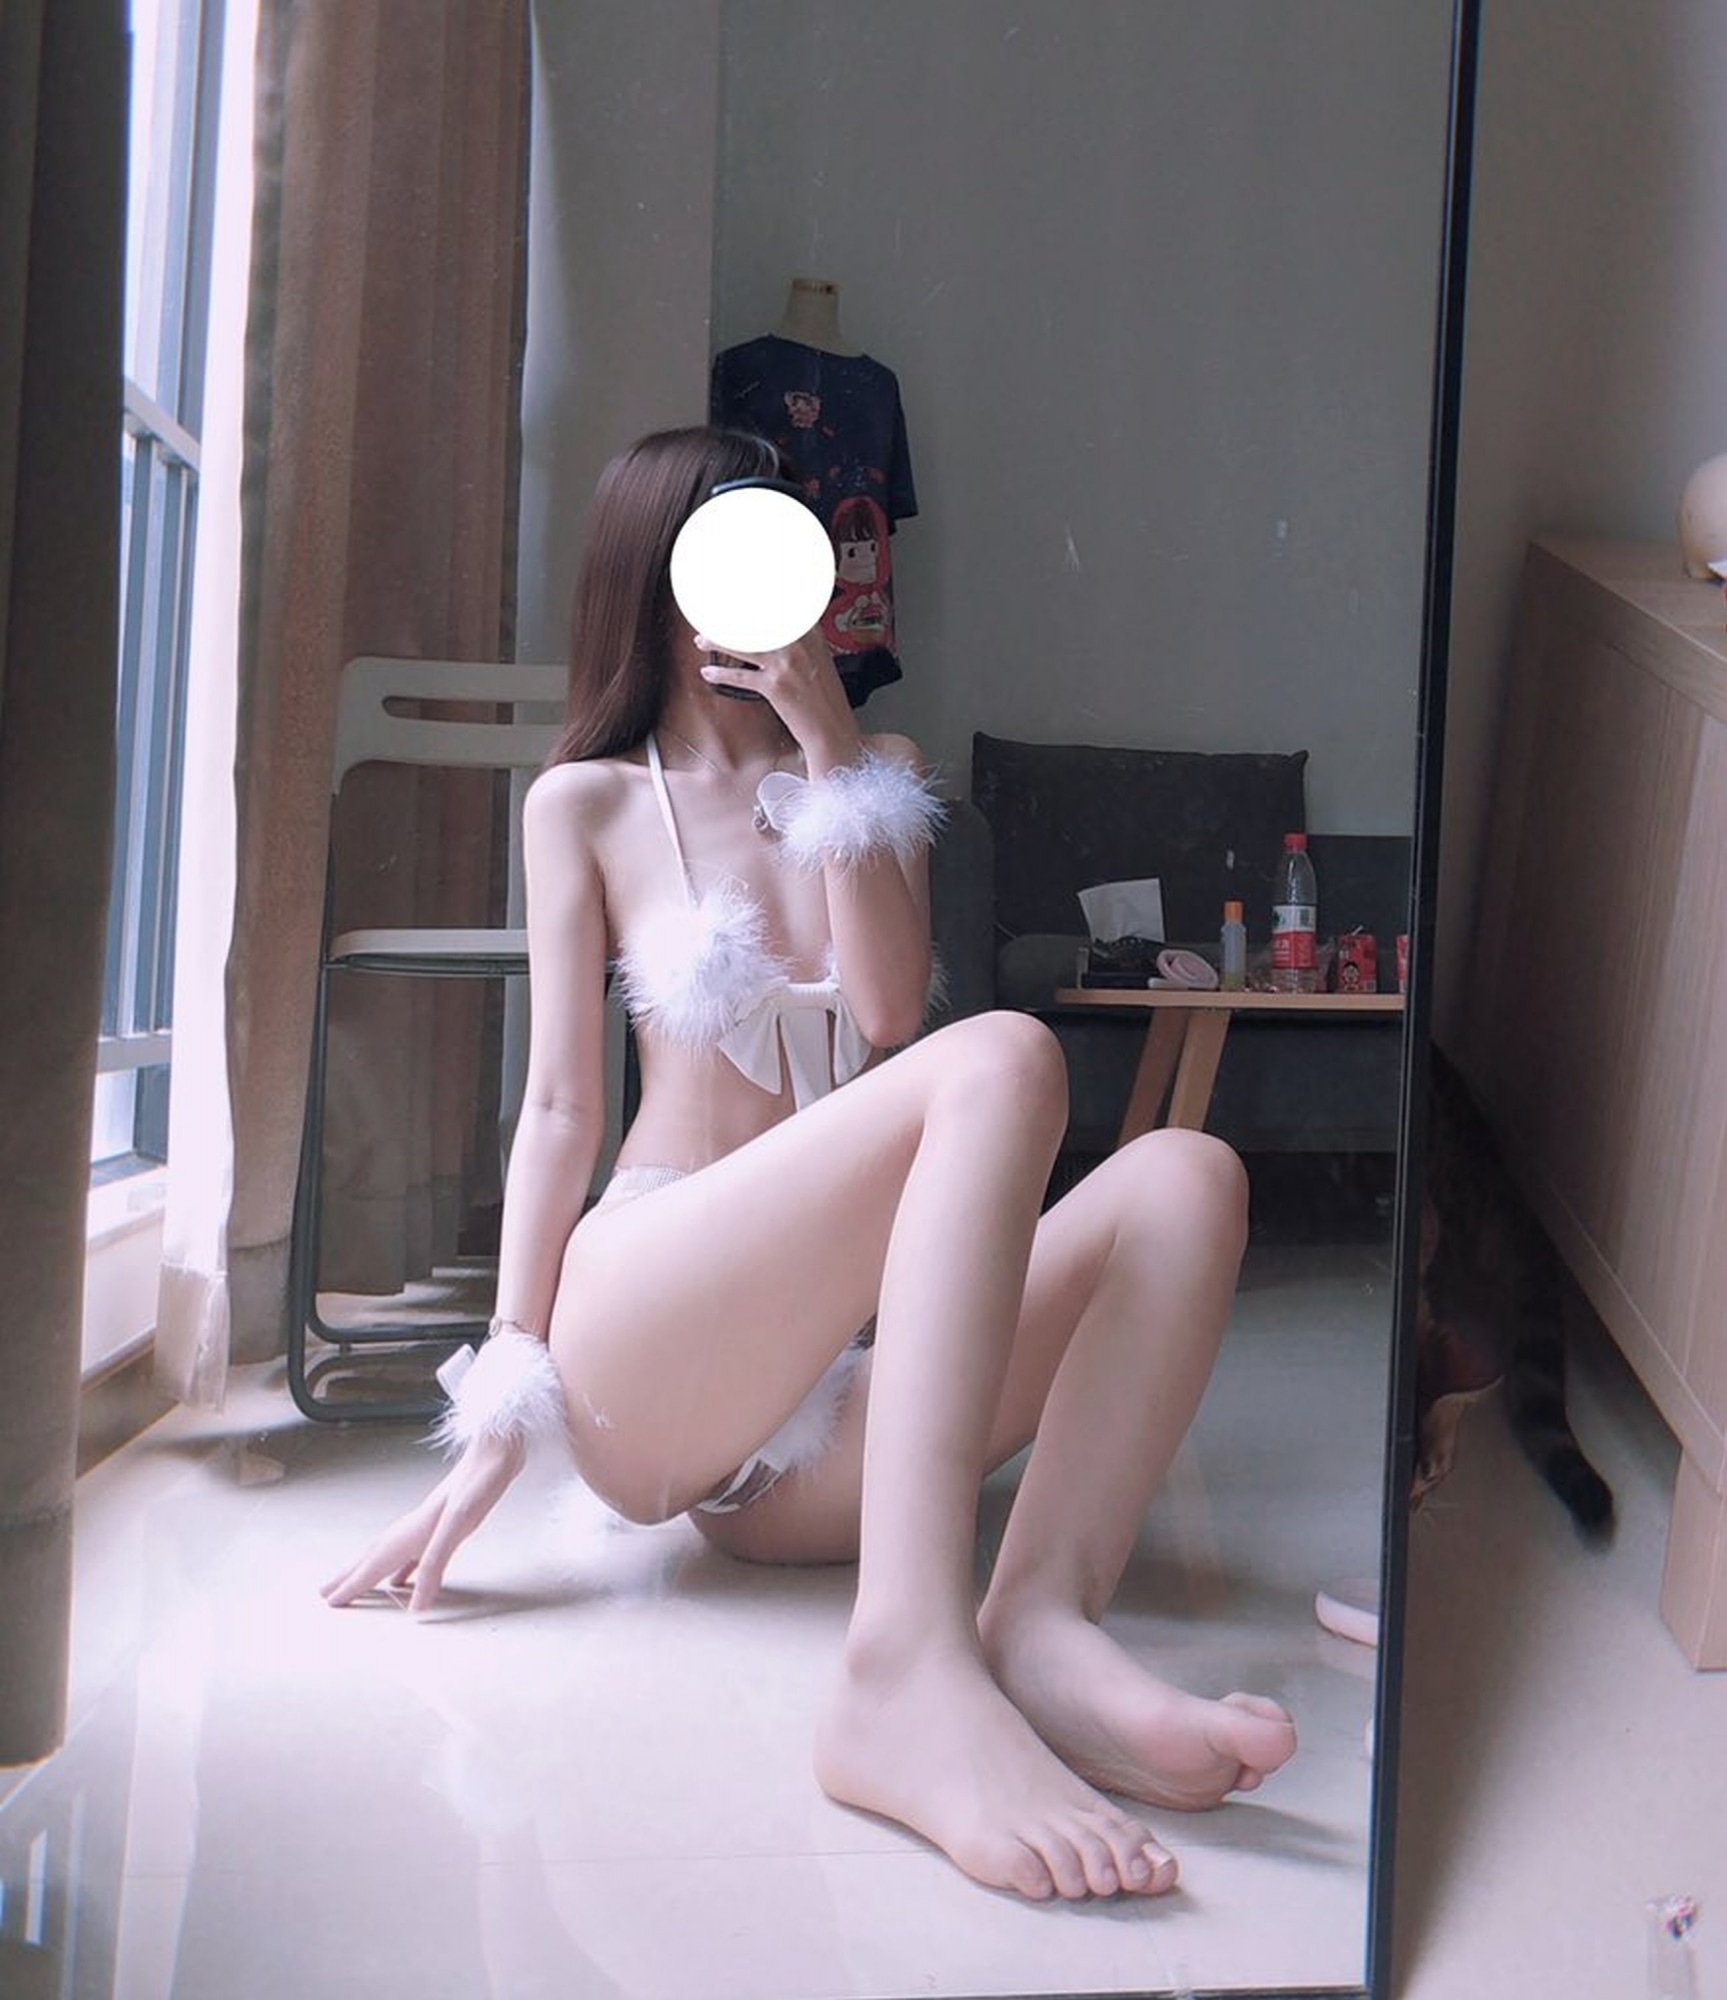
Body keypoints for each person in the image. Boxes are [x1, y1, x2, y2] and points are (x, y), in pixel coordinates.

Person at [323, 426, 1297, 1902]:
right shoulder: (585, 802)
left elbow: (889, 1012)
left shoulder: (873, 770)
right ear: (658, 579)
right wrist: (502, 1407)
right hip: (650, 1327)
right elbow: (562, 1111)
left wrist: (832, 744)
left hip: (818, 1400)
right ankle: (904, 1668)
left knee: (1186, 1179)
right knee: (1006, 1058)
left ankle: (1040, 1621)